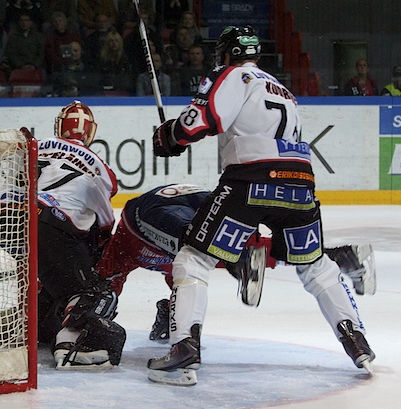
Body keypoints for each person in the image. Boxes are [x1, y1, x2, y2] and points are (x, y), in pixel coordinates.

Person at [148, 25, 375, 386]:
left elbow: (199, 122)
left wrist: (169, 136)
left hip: (251, 179)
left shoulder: (231, 74)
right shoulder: (282, 87)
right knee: (315, 266)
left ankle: (184, 347)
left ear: (225, 54)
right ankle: (356, 340)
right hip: (300, 182)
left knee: (194, 257)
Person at [95, 183, 377, 342]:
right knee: (230, 250)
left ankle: (241, 257)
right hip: (206, 200)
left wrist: (93, 317)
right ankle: (342, 257)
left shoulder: (118, 249)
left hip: (145, 213)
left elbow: (106, 287)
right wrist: (168, 312)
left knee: (193, 244)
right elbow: (182, 288)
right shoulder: (181, 269)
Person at [35, 101, 126, 369]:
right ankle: (71, 345)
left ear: (59, 126)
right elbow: (104, 221)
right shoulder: (102, 168)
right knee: (93, 290)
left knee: (50, 277)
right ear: (90, 133)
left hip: (7, 218)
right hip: (50, 222)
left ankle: (33, 320)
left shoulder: (37, 145)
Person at [44, 11, 82, 76]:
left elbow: (79, 50)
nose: (58, 23)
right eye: (55, 21)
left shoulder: (73, 36)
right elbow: (50, 54)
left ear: (65, 22)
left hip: (73, 62)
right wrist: (61, 62)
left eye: (60, 20)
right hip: (57, 64)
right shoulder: (50, 38)